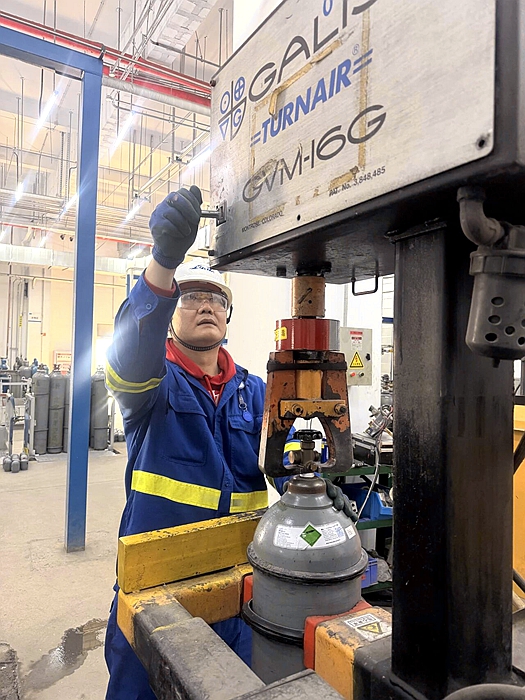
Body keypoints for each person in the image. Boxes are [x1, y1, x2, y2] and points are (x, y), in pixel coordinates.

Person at [104, 185, 354, 699]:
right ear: (171, 314)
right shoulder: (151, 386)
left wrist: (314, 486)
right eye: (192, 298)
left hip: (242, 581)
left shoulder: (256, 391)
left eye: (216, 300)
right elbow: (129, 353)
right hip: (159, 581)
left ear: (228, 317)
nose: (206, 306)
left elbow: (280, 458)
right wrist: (162, 264)